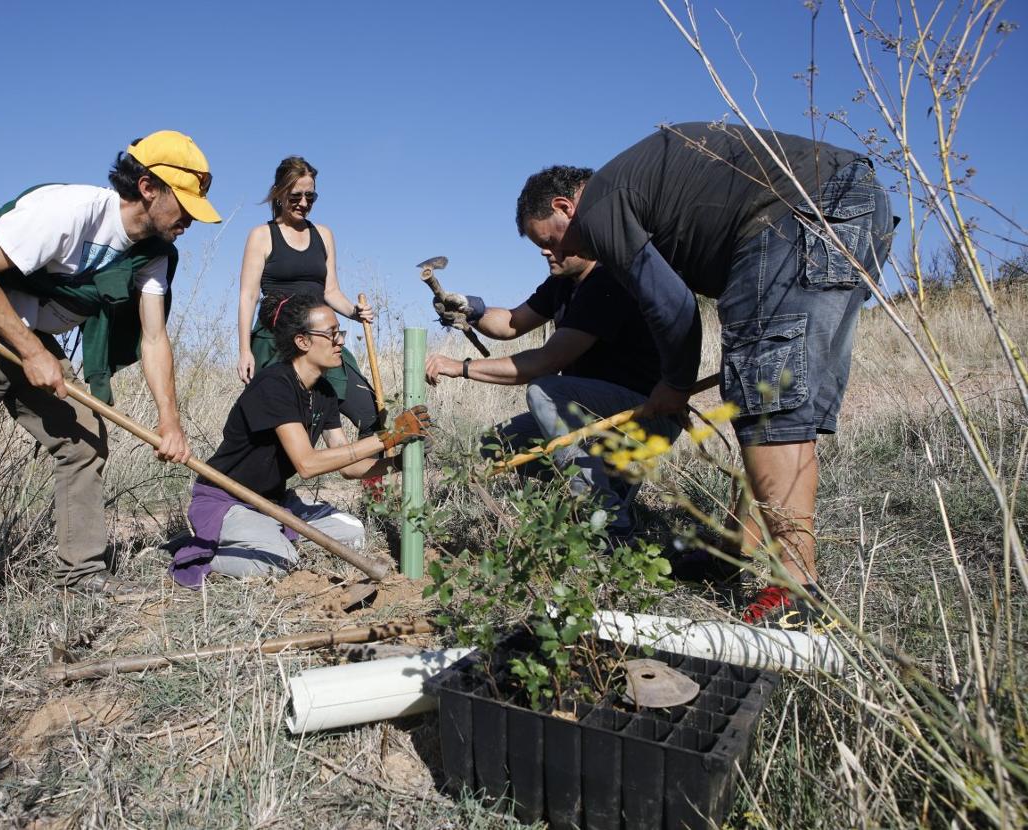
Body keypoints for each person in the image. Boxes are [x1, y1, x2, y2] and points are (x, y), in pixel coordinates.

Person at [516, 123, 894, 627]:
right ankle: (734, 554)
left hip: (799, 216)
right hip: (850, 210)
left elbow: (674, 307)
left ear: (565, 207)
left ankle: (795, 591)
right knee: (776, 402)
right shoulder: (636, 193)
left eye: (552, 241)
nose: (555, 256)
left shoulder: (601, 205)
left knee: (770, 410)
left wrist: (672, 383)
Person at [0, 130, 221, 647]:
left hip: (30, 339)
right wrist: (32, 352)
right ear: (148, 187)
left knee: (84, 441)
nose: (190, 220)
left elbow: (154, 336)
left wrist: (171, 422)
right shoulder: (68, 211)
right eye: (184, 204)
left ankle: (82, 575)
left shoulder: (154, 255)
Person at [170, 294, 430, 584]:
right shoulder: (274, 385)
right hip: (229, 499)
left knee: (352, 532)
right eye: (331, 334)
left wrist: (395, 463)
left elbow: (347, 466)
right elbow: (307, 464)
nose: (340, 342)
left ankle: (265, 536)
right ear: (302, 341)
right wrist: (389, 437)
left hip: (273, 503)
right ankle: (197, 551)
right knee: (277, 562)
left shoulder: (324, 393)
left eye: (340, 333)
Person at [424, 250, 677, 537]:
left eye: (552, 241)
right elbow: (511, 322)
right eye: (540, 242)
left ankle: (608, 521)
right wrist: (472, 309)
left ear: (585, 240)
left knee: (543, 390)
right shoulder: (562, 283)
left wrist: (462, 367)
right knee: (496, 445)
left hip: (647, 414)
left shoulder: (607, 282)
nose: (545, 249)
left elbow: (545, 363)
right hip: (594, 418)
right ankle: (612, 482)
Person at [235, 156, 382, 439]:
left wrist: (354, 311)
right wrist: (244, 350)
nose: (304, 202)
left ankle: (377, 483)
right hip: (277, 340)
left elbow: (330, 291)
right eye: (296, 196)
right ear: (279, 193)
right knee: (275, 432)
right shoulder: (262, 236)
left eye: (310, 196)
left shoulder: (323, 234)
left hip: (322, 337)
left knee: (370, 413)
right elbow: (248, 296)